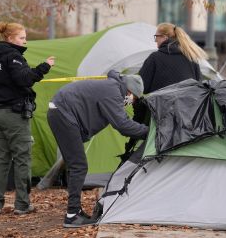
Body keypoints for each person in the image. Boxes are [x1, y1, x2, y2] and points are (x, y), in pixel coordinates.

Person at [47, 70, 149, 228]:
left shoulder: (112, 87)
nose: (131, 102)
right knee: (79, 165)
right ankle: (72, 215)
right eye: (133, 98)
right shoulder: (113, 91)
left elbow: (121, 119)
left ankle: (75, 211)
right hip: (63, 113)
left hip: (60, 111)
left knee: (75, 164)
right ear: (130, 91)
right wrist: (149, 133)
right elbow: (122, 125)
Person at [0, 21, 54, 215]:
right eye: (22, 38)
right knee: (22, 160)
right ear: (9, 38)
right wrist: (44, 67)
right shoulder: (13, 56)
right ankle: (22, 204)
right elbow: (24, 78)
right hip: (14, 115)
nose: (25, 41)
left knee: (1, 161)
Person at [122, 22, 208, 159]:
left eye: (156, 37)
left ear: (165, 37)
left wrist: (125, 103)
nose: (156, 42)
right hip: (188, 123)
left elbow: (138, 86)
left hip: (161, 122)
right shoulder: (192, 58)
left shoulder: (155, 58)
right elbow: (199, 89)